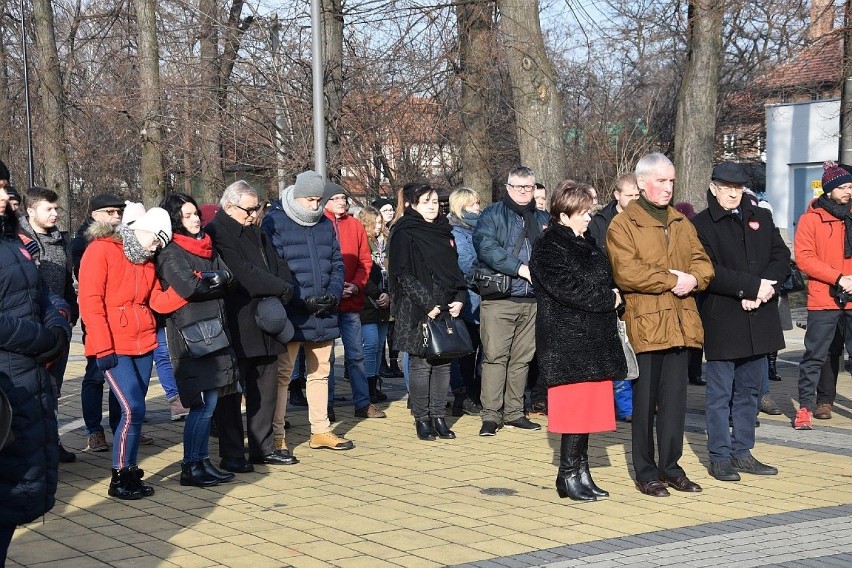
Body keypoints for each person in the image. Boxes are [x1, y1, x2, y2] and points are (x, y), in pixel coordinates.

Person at [607, 152, 714, 497]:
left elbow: (704, 264)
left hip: (681, 324)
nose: (668, 188)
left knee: (674, 403)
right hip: (647, 325)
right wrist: (673, 279)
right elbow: (628, 272)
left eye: (671, 181)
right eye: (661, 180)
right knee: (644, 404)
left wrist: (693, 281)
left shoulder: (682, 223)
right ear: (641, 183)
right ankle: (645, 470)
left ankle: (671, 467)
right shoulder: (623, 225)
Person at [529, 180, 626, 501]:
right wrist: (607, 298)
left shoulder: (586, 242)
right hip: (567, 344)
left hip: (593, 344)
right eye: (582, 212)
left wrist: (613, 294)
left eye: (589, 212)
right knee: (573, 412)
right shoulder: (548, 246)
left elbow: (605, 278)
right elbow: (568, 287)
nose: (588, 218)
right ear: (563, 213)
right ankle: (567, 474)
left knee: (587, 413)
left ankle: (581, 472)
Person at [692, 162, 789, 481]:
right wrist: (748, 287)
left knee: (750, 391)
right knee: (720, 394)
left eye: (738, 188)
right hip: (724, 318)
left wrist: (765, 287)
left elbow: (781, 255)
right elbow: (708, 270)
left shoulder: (760, 216)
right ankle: (719, 456)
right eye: (726, 187)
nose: (733, 193)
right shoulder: (701, 224)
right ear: (714, 188)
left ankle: (742, 451)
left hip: (759, 315)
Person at [78, 205, 174, 499]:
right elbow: (90, 302)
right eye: (157, 239)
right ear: (144, 229)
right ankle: (119, 475)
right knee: (134, 408)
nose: (157, 247)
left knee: (133, 411)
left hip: (142, 342)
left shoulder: (146, 260)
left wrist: (190, 288)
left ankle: (130, 469)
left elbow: (155, 300)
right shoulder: (101, 250)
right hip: (113, 344)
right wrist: (102, 347)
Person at [0, 184, 70, 564]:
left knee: (17, 493)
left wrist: (59, 324)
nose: (3, 199)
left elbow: (44, 293)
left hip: (28, 381)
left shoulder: (15, 243)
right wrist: (41, 338)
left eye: (3, 190)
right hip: (8, 381)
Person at [206, 180, 295, 470]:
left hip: (265, 320)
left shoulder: (255, 230)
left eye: (257, 208)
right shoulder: (217, 233)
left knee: (266, 385)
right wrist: (280, 289)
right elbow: (242, 272)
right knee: (231, 392)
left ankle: (263, 447)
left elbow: (276, 263)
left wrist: (286, 286)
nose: (254, 214)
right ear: (230, 206)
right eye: (249, 209)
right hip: (236, 320)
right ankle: (232, 453)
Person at [262, 171, 353, 454]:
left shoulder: (326, 224)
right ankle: (277, 435)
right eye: (310, 199)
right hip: (292, 310)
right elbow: (274, 268)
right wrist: (301, 299)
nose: (315, 205)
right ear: (297, 195)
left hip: (323, 309)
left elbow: (338, 263)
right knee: (283, 375)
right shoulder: (274, 222)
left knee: (321, 372)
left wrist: (333, 294)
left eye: (318, 200)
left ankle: (321, 430)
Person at [155, 193, 240, 486]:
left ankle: (202, 461)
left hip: (216, 329)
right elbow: (190, 288)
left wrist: (212, 280)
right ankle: (191, 465)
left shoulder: (206, 246)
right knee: (203, 404)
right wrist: (212, 280)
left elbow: (228, 278)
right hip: (191, 335)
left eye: (195, 214)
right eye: (187, 215)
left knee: (210, 403)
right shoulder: (170, 252)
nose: (194, 220)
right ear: (175, 219)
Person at [473, 166, 549, 436]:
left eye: (528, 187)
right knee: (495, 357)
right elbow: (486, 248)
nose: (523, 192)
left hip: (532, 299)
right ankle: (491, 415)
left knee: (522, 359)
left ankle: (515, 412)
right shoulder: (491, 215)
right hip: (500, 298)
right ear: (507, 187)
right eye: (518, 187)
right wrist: (520, 268)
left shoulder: (542, 218)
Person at [389, 183, 468, 440]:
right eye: (426, 201)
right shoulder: (404, 231)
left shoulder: (443, 230)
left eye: (435, 201)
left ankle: (438, 417)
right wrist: (427, 304)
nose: (433, 206)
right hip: (416, 307)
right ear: (412, 204)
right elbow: (403, 274)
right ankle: (422, 419)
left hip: (445, 304)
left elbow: (454, 271)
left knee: (443, 363)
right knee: (422, 364)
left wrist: (459, 297)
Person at [18, 186, 78, 463]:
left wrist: (71, 315)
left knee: (54, 388)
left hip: (58, 329)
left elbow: (67, 282)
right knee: (31, 391)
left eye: (56, 209)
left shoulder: (60, 241)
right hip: (29, 329)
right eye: (48, 209)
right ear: (31, 211)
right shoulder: (17, 241)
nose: (55, 214)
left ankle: (52, 441)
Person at [793, 161, 852, 430]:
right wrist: (838, 278)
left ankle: (826, 401)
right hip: (823, 297)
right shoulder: (810, 219)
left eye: (850, 186)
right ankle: (807, 407)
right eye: (842, 187)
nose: (847, 191)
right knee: (816, 355)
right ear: (828, 190)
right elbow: (804, 258)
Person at [324, 184, 385, 418]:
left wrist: (357, 285)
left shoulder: (355, 225)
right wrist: (334, 289)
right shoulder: (319, 224)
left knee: (356, 355)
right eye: (336, 198)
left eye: (343, 197)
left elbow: (364, 261)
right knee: (325, 358)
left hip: (351, 301)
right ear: (325, 202)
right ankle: (326, 406)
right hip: (327, 303)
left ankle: (362, 403)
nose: (342, 202)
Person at [71, 194, 126, 452]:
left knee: (120, 378)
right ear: (95, 214)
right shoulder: (85, 243)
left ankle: (121, 425)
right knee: (95, 376)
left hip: (121, 319)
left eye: (119, 212)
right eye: (110, 212)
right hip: (96, 318)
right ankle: (94, 430)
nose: (116, 216)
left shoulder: (124, 239)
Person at [587, 173, 641, 422]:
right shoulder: (599, 222)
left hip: (637, 293)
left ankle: (639, 402)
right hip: (611, 293)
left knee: (634, 350)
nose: (634, 199)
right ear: (617, 195)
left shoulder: (645, 218)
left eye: (637, 195)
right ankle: (625, 407)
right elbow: (596, 257)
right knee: (616, 351)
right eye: (630, 195)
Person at [447, 188, 483, 416]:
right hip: (469, 298)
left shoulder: (480, 229)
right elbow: (467, 264)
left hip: (479, 298)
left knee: (479, 350)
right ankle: (465, 395)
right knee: (467, 352)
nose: (478, 208)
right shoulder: (457, 232)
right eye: (472, 205)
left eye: (478, 203)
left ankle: (474, 393)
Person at [357, 206, 392, 404]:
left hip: (386, 299)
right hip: (368, 301)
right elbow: (362, 273)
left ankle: (375, 383)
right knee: (369, 344)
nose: (380, 226)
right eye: (376, 222)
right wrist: (378, 294)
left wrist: (389, 295)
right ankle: (367, 387)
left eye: (381, 222)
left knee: (379, 346)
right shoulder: (362, 242)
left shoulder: (385, 242)